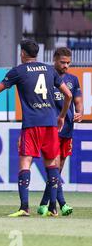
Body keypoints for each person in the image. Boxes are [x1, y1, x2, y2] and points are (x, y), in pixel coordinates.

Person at [0, 39, 73, 217]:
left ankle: (24, 207)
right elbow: (68, 95)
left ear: (22, 53)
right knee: (51, 164)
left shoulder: (18, 71)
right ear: (36, 54)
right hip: (50, 122)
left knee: (25, 163)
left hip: (32, 124)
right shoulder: (49, 70)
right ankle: (53, 207)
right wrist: (61, 116)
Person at [38, 47, 83, 216]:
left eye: (68, 63)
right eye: (63, 62)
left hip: (68, 128)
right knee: (54, 168)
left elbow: (78, 101)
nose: (66, 66)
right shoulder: (46, 76)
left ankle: (44, 203)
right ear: (54, 59)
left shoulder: (73, 79)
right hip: (51, 127)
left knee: (58, 170)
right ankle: (57, 205)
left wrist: (80, 112)